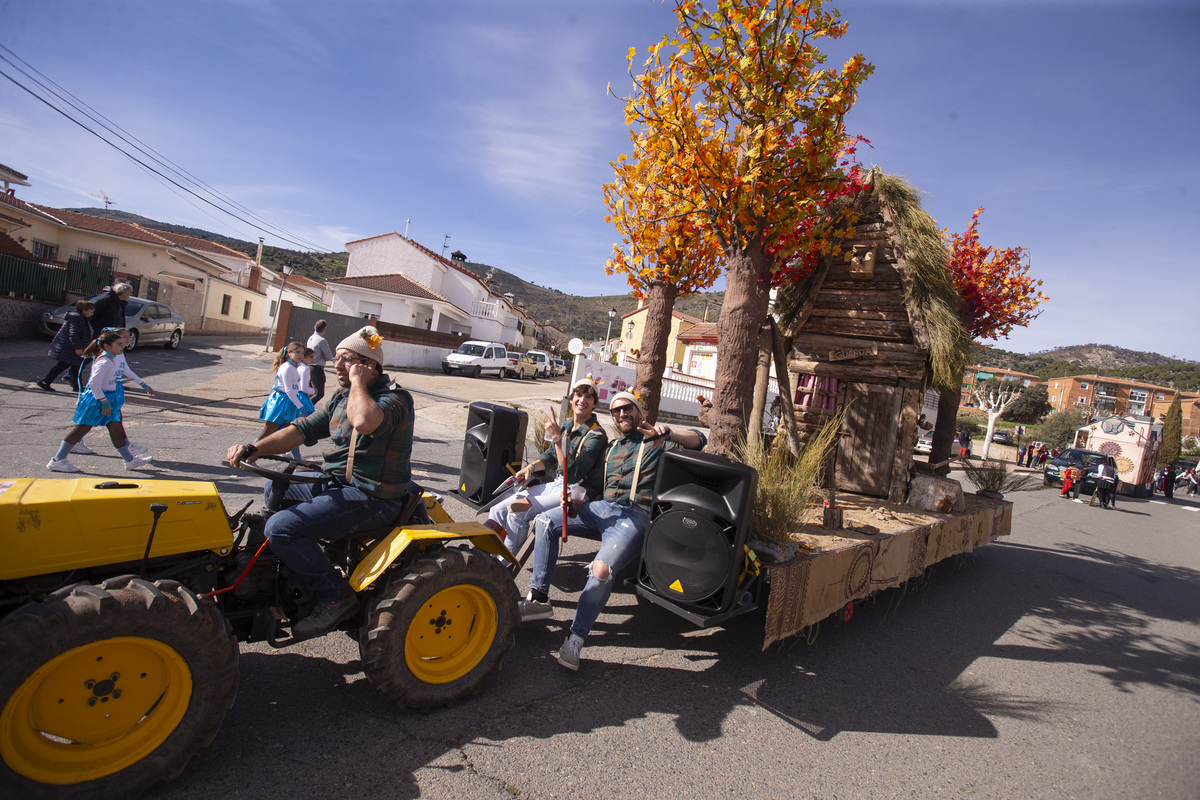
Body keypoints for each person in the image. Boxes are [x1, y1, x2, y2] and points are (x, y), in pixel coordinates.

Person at [226, 326, 414, 639]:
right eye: (337, 359)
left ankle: (334, 596)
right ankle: (276, 570)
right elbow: (301, 430)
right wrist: (255, 447)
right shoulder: (341, 398)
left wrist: (356, 381)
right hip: (337, 484)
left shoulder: (396, 399)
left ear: (369, 365)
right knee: (278, 485)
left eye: (346, 360)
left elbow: (365, 422)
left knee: (281, 528)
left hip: (373, 498)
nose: (336, 365)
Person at [522, 390, 707, 671]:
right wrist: (574, 500)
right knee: (545, 521)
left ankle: (575, 638)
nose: (622, 414)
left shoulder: (657, 442)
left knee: (601, 571)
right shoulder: (611, 447)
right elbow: (582, 479)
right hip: (600, 508)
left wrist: (669, 432)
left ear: (639, 412)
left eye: (628, 409)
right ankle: (539, 597)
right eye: (617, 410)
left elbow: (699, 440)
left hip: (633, 516)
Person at [486, 376, 608, 554]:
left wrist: (557, 438)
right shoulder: (566, 425)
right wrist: (531, 467)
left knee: (517, 509)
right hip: (557, 484)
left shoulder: (596, 435)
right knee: (498, 508)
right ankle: (484, 554)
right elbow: (551, 456)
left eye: (588, 397)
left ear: (595, 403)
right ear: (571, 398)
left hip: (574, 492)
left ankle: (504, 563)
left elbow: (573, 474)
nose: (582, 400)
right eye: (579, 395)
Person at [46, 330, 155, 473]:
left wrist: (140, 384)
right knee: (82, 428)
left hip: (107, 398)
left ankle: (129, 460)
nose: (122, 346)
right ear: (107, 346)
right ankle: (58, 460)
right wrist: (104, 401)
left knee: (115, 427)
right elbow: (93, 384)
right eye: (119, 344)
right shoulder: (104, 361)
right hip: (97, 399)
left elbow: (111, 380)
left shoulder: (112, 359)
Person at [258, 342, 315, 460]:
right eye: (297, 352)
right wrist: (300, 407)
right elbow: (289, 390)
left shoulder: (294, 367)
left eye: (302, 353)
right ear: (289, 353)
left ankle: (298, 460)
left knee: (292, 433)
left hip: (289, 402)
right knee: (268, 432)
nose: (300, 355)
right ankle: (248, 453)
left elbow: (294, 390)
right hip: (281, 402)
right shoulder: (287, 368)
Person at [38, 299, 94, 393]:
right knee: (64, 365)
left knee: (76, 366)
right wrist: (77, 347)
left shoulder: (82, 318)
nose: (92, 311)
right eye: (91, 309)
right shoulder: (76, 318)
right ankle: (45, 381)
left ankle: (77, 387)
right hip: (69, 347)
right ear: (84, 310)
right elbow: (74, 334)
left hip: (72, 346)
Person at [306, 319, 335, 404]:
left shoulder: (311, 338)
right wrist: (324, 356)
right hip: (317, 368)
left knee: (310, 392)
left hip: (310, 367)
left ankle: (304, 408)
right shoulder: (322, 340)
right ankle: (306, 409)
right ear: (325, 329)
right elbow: (329, 356)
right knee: (318, 393)